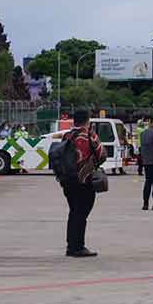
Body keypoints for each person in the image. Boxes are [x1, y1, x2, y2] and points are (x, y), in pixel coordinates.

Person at [60, 110, 106, 257]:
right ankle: (78, 247)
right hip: (84, 180)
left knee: (74, 212)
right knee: (82, 214)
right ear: (87, 121)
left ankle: (71, 246)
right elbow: (102, 154)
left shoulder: (67, 136)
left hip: (67, 181)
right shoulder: (89, 135)